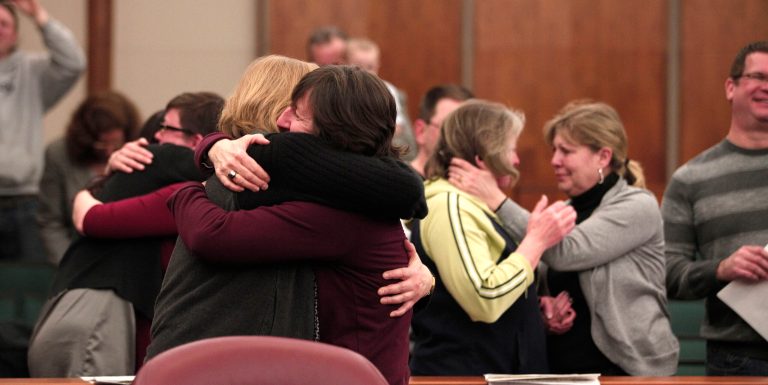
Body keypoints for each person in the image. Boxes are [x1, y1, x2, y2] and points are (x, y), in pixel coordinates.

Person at [148, 65, 427, 385]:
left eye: (298, 113)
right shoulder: (354, 197)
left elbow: (212, 235)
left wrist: (187, 189)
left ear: (335, 129)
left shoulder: (337, 211)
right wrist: (214, 147)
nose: (284, 121)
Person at [449, 100, 679, 375]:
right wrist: (544, 310)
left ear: (603, 157)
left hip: (630, 371)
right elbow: (547, 277)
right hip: (565, 371)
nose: (555, 160)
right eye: (555, 150)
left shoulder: (638, 205)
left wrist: (495, 199)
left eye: (566, 151)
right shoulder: (566, 213)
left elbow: (566, 251)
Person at [27, 92, 225, 377]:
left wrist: (89, 190)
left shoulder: (163, 169)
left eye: (167, 128)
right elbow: (93, 219)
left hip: (75, 316)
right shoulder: (164, 166)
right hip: (93, 321)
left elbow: (91, 214)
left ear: (196, 140)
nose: (157, 135)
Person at [408, 100, 576, 375]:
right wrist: (536, 241)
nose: (516, 160)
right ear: (482, 157)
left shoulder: (469, 204)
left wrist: (528, 304)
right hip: (466, 375)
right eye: (510, 149)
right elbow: (484, 297)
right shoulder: (451, 206)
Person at [662, 41, 768, 375]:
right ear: (730, 86)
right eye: (758, 76)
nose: (767, 87)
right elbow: (664, 272)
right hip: (737, 359)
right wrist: (721, 269)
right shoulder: (691, 179)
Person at [0, 0, 85, 261]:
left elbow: (73, 63)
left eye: (3, 24)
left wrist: (40, 18)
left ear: (15, 33)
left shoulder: (33, 72)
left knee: (29, 287)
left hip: (24, 202)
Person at [36, 91, 140, 264]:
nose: (109, 151)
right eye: (101, 145)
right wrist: (69, 264)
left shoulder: (140, 154)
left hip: (126, 260)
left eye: (115, 143)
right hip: (73, 256)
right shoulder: (58, 154)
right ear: (84, 139)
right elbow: (51, 221)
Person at [346, 37, 416, 160]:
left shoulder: (387, 90)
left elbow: (397, 125)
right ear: (345, 64)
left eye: (370, 67)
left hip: (380, 143)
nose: (365, 72)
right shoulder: (342, 89)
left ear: (378, 66)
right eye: (358, 66)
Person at [409, 84, 474, 177]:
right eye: (448, 128)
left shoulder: (474, 186)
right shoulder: (399, 184)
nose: (460, 139)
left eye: (467, 130)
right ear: (421, 131)